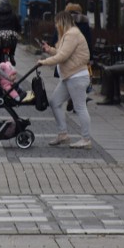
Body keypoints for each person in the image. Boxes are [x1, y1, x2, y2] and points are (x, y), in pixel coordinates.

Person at [38, 11, 93, 149]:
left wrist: (44, 62)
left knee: (80, 107)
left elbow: (62, 56)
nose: (56, 26)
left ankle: (86, 139)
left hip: (77, 76)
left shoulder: (72, 34)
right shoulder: (67, 35)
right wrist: (49, 50)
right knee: (55, 102)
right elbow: (61, 53)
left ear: (62, 22)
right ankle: (63, 134)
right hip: (69, 77)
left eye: (57, 22)